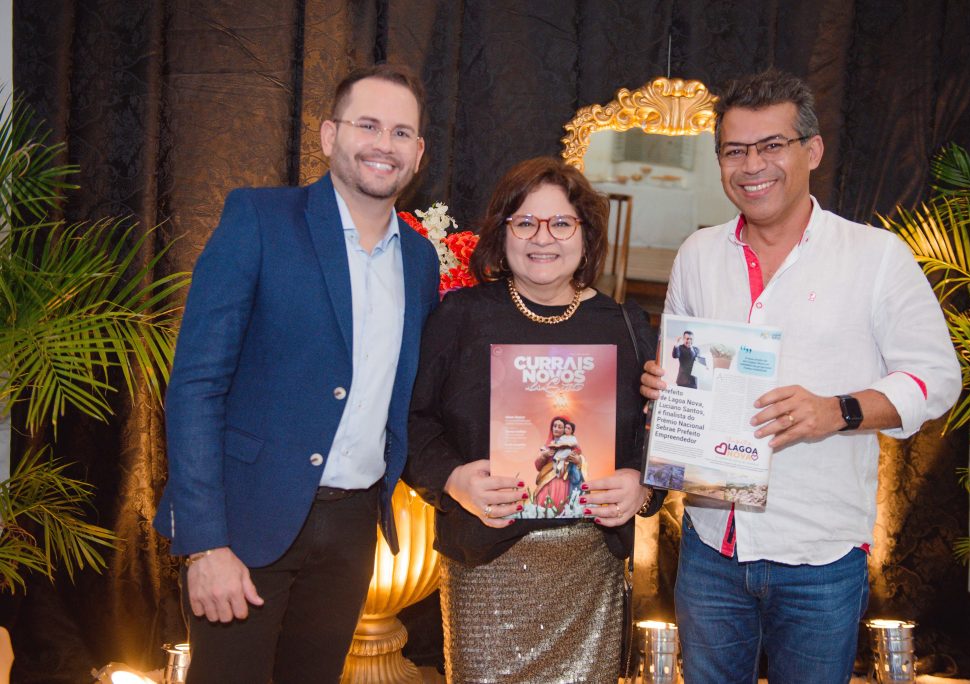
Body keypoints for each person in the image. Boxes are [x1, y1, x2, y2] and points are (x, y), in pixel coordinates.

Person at [640, 69, 960, 684]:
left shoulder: (875, 257)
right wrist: (663, 385)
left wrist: (836, 411)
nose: (752, 166)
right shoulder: (698, 255)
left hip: (819, 552)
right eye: (735, 151)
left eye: (771, 146)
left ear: (812, 151)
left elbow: (937, 379)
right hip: (710, 545)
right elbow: (680, 373)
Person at [152, 64, 440, 684]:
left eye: (401, 133)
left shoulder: (420, 261)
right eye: (367, 125)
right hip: (244, 525)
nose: (383, 144)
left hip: (351, 533)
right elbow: (196, 386)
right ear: (330, 135)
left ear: (418, 154)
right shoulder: (259, 219)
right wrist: (204, 544)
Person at [404, 156, 661, 683]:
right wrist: (452, 480)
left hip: (590, 568)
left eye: (562, 222)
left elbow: (657, 431)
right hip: (487, 571)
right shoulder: (461, 316)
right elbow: (412, 419)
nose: (543, 238)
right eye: (525, 222)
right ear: (503, 233)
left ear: (586, 234)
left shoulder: (624, 324)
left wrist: (644, 485)